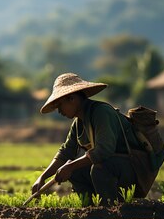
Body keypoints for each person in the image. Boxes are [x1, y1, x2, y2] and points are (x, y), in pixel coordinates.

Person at [32, 72, 149, 203]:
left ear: (72, 99)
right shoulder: (78, 123)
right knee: (76, 172)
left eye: (60, 105)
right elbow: (66, 152)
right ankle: (91, 209)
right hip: (115, 167)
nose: (59, 111)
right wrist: (43, 177)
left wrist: (69, 167)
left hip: (135, 168)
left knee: (99, 168)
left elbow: (103, 151)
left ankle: (110, 208)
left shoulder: (101, 113)